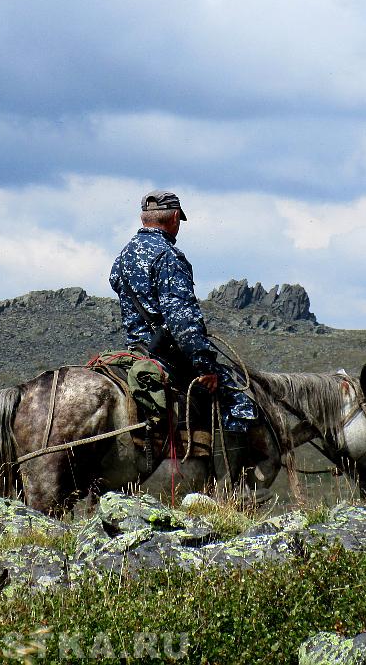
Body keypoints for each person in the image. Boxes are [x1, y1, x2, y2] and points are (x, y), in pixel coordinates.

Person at [109, 189, 258, 483]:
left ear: (144, 217)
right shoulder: (169, 256)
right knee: (239, 402)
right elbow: (183, 322)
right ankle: (227, 486)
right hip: (167, 357)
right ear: (175, 218)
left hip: (135, 353)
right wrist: (205, 367)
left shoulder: (122, 258)